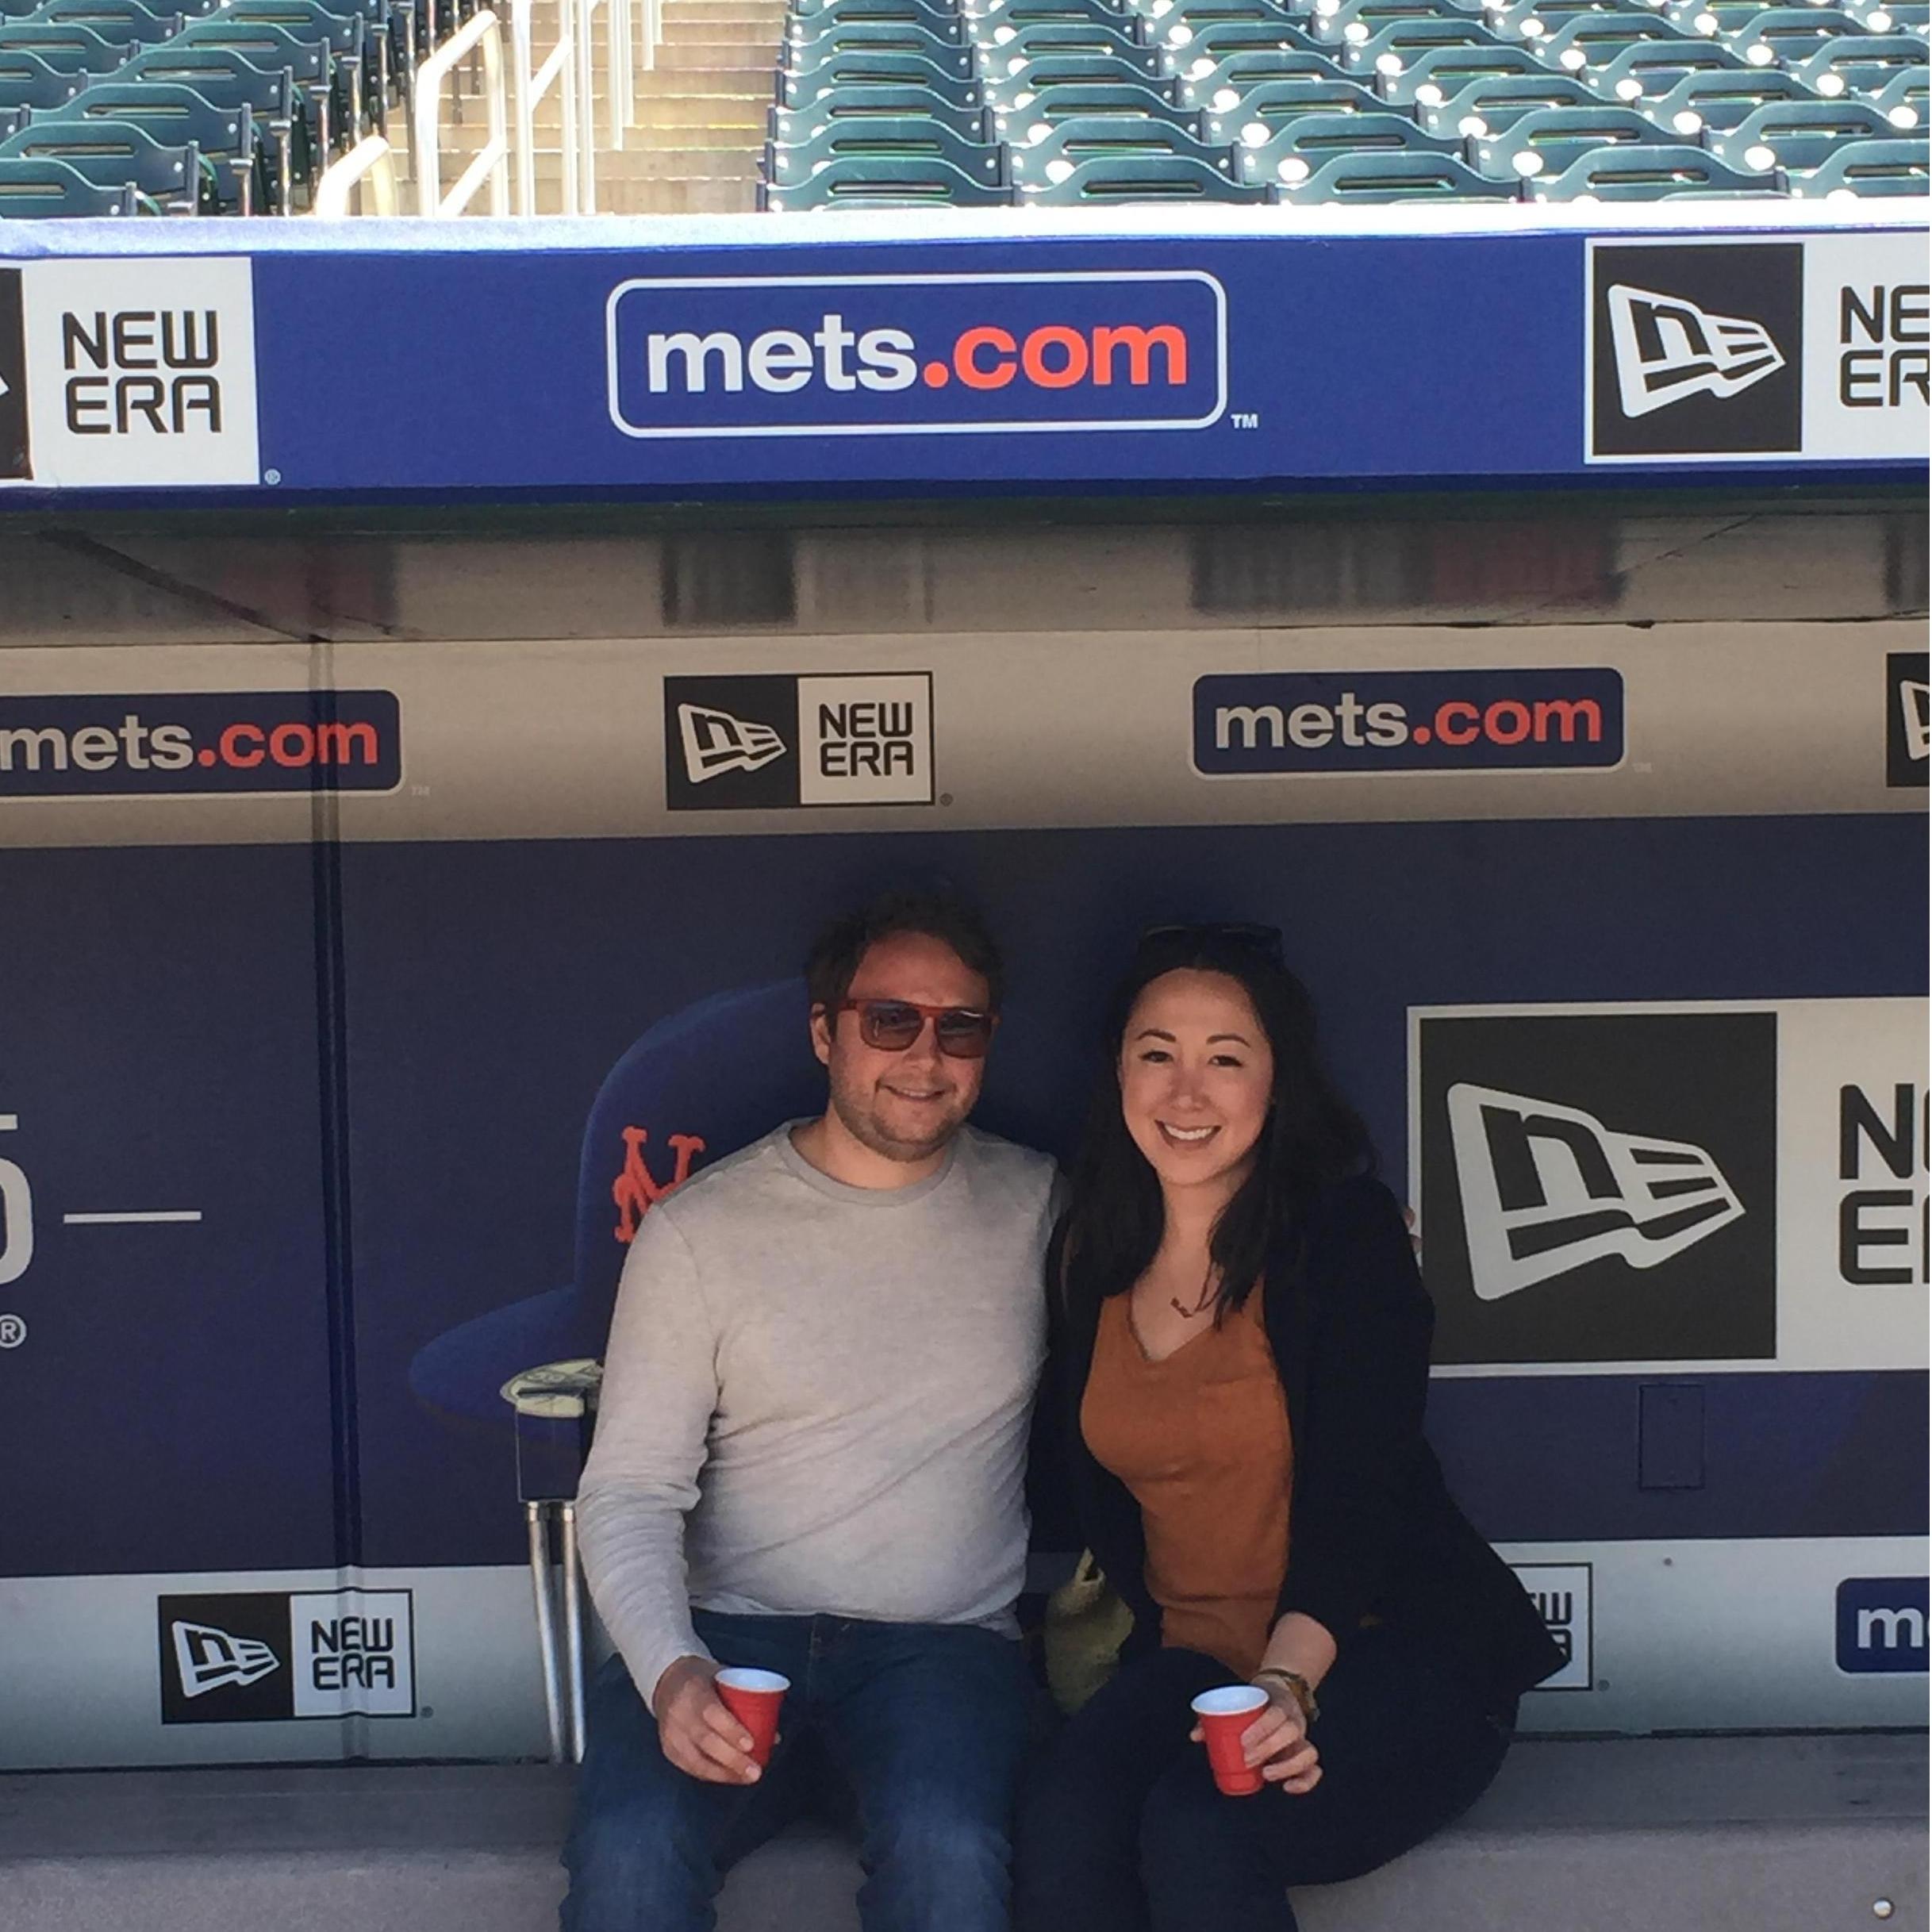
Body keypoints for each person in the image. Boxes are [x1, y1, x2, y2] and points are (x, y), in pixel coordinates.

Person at [1015, 924, 1564, 1932]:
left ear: (1276, 1081)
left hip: (1383, 1651)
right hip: (1193, 1660)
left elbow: (1363, 1491)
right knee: (1057, 1828)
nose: (1186, 1093)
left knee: (1199, 1828)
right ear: (1117, 1072)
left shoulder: (1341, 1232)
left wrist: (1288, 1684)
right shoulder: (1089, 1250)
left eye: (1225, 1058)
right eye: (1156, 1055)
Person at [560, 889, 1058, 1932]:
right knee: (630, 1848)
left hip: (943, 1650)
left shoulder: (1046, 1208)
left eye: (957, 1026)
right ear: (824, 1030)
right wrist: (669, 1666)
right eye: (889, 1020)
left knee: (950, 1850)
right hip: (729, 1638)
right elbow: (628, 1490)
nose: (924, 1055)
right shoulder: (702, 1230)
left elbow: (1210, 1261)